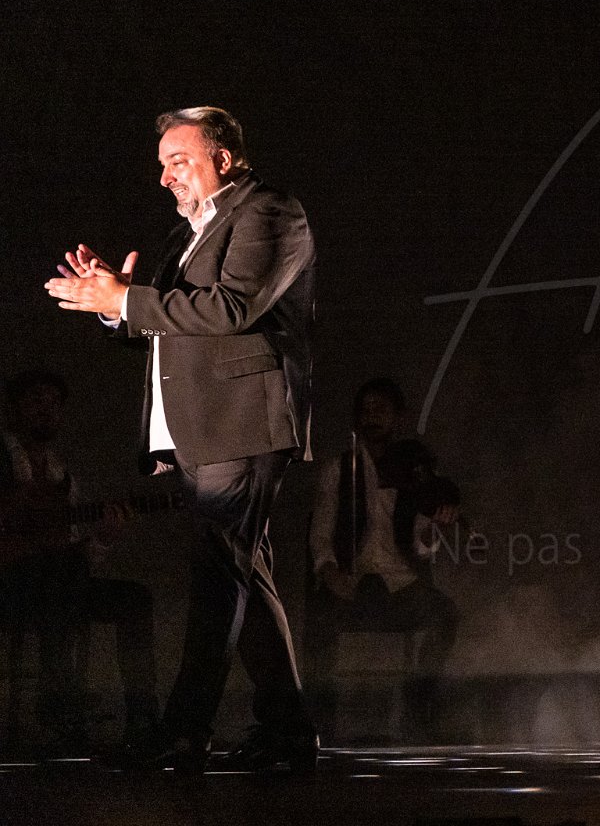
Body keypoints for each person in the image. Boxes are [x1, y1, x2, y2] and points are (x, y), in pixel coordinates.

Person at [44, 106, 317, 774]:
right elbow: (167, 321)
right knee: (245, 578)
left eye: (178, 160)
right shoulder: (186, 232)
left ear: (222, 158)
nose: (165, 176)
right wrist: (115, 300)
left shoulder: (269, 211)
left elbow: (231, 308)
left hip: (241, 421)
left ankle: (183, 731)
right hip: (201, 426)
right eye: (162, 164)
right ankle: (287, 731)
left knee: (220, 578)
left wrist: (126, 299)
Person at [0, 369, 158, 756]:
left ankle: (144, 721)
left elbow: (70, 549)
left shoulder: (63, 478)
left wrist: (103, 538)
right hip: (9, 584)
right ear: (14, 408)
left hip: (53, 582)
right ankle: (58, 702)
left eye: (54, 404)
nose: (46, 409)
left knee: (133, 598)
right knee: (60, 573)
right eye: (36, 400)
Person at [306, 378, 460, 741]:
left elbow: (422, 541)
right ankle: (318, 721)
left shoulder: (412, 470)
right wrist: (330, 574)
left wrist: (434, 528)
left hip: (400, 585)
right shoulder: (339, 469)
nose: (372, 417)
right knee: (318, 621)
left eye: (381, 410)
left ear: (397, 418)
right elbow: (321, 534)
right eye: (366, 410)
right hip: (352, 584)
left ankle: (419, 702)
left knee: (445, 615)